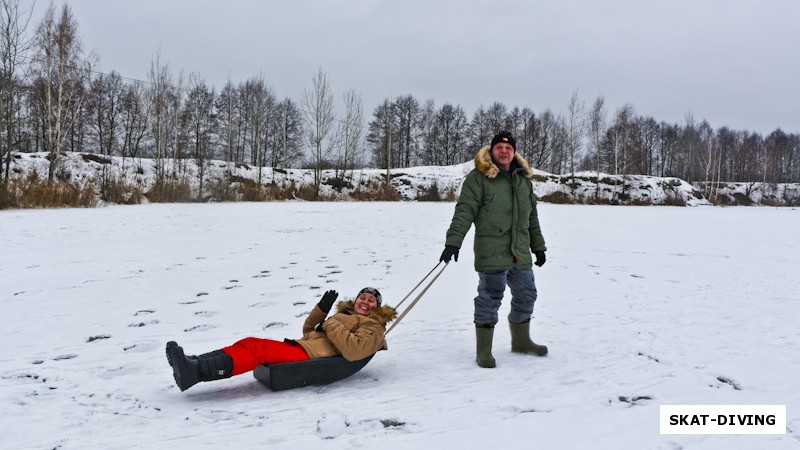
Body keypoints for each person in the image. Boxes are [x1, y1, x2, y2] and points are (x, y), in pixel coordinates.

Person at [440, 130, 548, 368]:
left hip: (519, 251)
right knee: (489, 299)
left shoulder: (523, 180)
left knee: (527, 295)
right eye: (499, 147)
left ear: (514, 152)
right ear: (492, 150)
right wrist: (453, 242)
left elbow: (532, 218)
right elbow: (465, 211)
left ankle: (521, 342)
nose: (504, 151)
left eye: (509, 148)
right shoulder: (478, 178)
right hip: (492, 249)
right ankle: (484, 351)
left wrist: (538, 247)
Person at [166, 287, 396, 391]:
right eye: (362, 297)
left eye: (371, 300)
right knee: (249, 343)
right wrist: (322, 311)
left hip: (313, 356)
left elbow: (354, 351)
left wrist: (331, 323)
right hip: (305, 346)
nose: (365, 301)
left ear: (377, 307)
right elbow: (308, 330)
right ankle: (193, 363)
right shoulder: (343, 316)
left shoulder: (373, 327)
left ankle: (194, 373)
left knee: (257, 349)